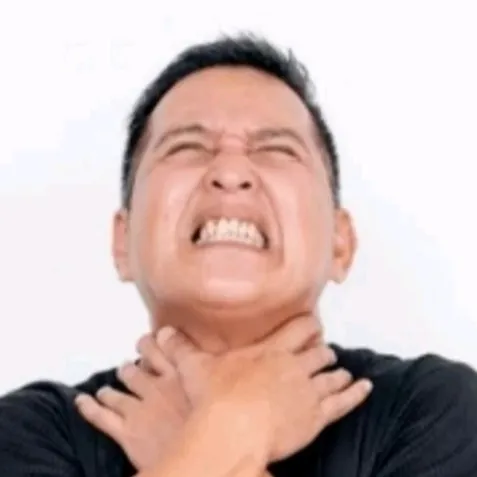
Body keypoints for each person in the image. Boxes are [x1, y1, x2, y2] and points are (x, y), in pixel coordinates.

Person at [0, 34, 476, 477]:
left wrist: (197, 446)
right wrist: (232, 432)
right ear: (121, 242)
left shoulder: (433, 408)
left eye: (276, 150)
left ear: (340, 243)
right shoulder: (33, 431)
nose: (230, 172)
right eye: (187, 147)